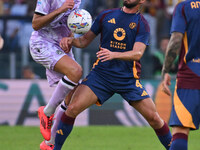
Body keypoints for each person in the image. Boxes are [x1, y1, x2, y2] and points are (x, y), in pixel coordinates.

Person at [53, 0, 172, 149]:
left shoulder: (142, 23)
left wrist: (114, 54)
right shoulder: (106, 15)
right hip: (101, 76)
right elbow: (83, 41)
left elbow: (138, 53)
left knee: (155, 118)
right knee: (72, 108)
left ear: (142, 1)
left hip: (128, 80)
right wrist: (71, 40)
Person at [29, 0, 82, 149]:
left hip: (60, 45)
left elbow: (69, 22)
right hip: (42, 42)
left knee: (72, 97)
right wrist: (60, 9)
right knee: (76, 71)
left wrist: (70, 37)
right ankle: (46, 112)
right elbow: (36, 23)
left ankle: (49, 144)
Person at [161, 0, 200, 150]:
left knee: (180, 131)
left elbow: (176, 40)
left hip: (190, 76)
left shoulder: (184, 7)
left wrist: (166, 70)